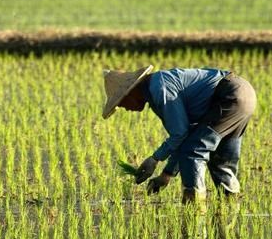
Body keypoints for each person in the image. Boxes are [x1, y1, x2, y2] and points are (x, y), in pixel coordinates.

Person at [102, 65, 256, 203]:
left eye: (121, 103)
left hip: (229, 96)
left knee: (193, 151)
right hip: (244, 93)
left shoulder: (159, 88)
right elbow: (183, 137)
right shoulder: (157, 86)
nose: (125, 108)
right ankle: (232, 207)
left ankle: (194, 208)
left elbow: (180, 134)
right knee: (220, 161)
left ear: (130, 92)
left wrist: (154, 159)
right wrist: (166, 176)